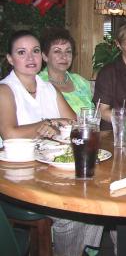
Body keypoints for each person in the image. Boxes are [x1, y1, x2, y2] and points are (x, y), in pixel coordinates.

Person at [0, 30, 103, 256]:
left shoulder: (47, 87)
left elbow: (74, 122)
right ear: (10, 59)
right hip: (18, 176)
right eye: (21, 52)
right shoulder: (5, 90)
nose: (30, 58)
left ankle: (82, 250)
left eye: (35, 51)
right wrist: (46, 124)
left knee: (97, 199)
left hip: (50, 170)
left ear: (41, 56)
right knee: (72, 215)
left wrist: (53, 125)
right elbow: (10, 133)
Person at [39, 27, 93, 114]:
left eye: (68, 51)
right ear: (45, 56)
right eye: (57, 51)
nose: (64, 56)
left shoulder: (81, 82)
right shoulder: (38, 83)